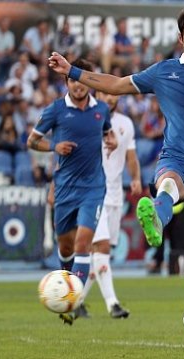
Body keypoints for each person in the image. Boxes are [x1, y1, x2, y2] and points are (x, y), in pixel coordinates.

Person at [47, 7, 184, 352]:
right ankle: (155, 214)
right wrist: (73, 70)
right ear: (180, 39)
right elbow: (117, 85)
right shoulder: (163, 72)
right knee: (168, 184)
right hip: (178, 158)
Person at [27, 59, 117, 325]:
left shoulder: (101, 109)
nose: (78, 85)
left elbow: (108, 134)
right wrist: (54, 146)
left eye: (81, 80)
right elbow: (31, 141)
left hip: (93, 188)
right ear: (67, 83)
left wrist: (111, 140)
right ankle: (68, 285)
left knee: (82, 244)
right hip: (65, 189)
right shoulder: (55, 110)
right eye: (73, 80)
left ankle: (72, 303)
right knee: (65, 248)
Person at [76, 90, 142, 319]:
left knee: (100, 253)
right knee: (101, 247)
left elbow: (131, 157)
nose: (109, 98)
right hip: (93, 193)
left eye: (112, 94)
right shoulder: (88, 120)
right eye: (104, 94)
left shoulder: (126, 124)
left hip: (115, 195)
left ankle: (76, 300)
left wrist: (135, 178)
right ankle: (112, 304)